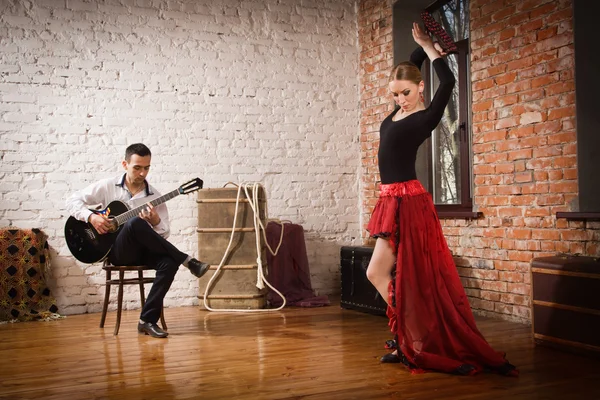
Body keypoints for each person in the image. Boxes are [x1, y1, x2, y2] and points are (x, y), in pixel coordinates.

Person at [365, 23, 517, 376]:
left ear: (420, 89)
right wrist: (422, 44)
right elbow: (412, 63)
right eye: (395, 95)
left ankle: (413, 340)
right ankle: (407, 338)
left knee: (397, 275)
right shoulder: (397, 113)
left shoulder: (424, 116)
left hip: (409, 202)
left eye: (406, 92)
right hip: (390, 200)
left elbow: (447, 83)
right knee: (379, 273)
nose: (400, 100)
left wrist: (434, 53)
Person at [66, 143, 209, 338]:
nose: (143, 173)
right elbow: (72, 200)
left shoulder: (155, 197)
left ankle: (147, 320)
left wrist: (156, 221)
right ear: (125, 164)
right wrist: (92, 217)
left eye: (147, 167)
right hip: (115, 251)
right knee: (134, 222)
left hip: (141, 251)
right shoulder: (108, 186)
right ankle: (186, 260)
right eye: (137, 167)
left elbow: (163, 235)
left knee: (168, 263)